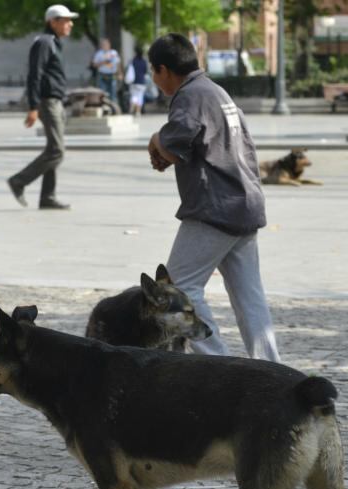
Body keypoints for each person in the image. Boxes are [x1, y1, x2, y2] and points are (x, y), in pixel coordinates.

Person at [145, 33, 279, 362]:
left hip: (215, 208)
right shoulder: (216, 91)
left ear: (163, 70)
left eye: (153, 71)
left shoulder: (190, 95)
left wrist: (155, 140)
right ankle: (272, 370)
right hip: (245, 203)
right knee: (250, 297)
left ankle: (217, 363)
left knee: (177, 289)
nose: (153, 79)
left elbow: (177, 140)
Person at [5, 4, 76, 211]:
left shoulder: (53, 42)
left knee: (52, 150)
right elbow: (34, 75)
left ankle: (47, 196)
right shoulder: (44, 42)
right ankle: (19, 181)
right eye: (65, 20)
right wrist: (33, 106)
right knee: (57, 151)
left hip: (56, 101)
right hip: (47, 102)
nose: (70, 24)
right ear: (53, 22)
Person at [125, 46, 148, 116]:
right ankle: (138, 111)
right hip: (141, 82)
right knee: (140, 96)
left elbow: (127, 70)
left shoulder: (132, 61)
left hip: (133, 82)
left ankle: (132, 109)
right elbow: (145, 71)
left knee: (134, 96)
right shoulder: (144, 61)